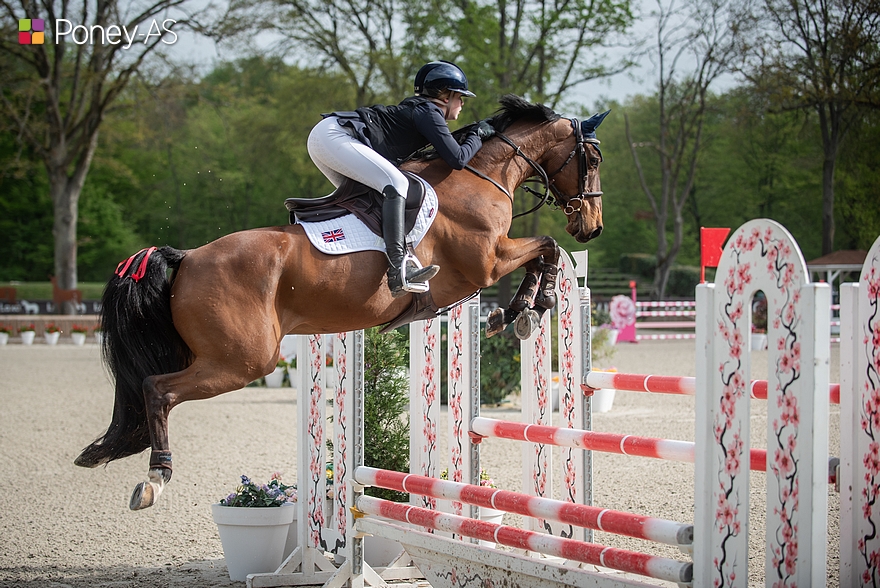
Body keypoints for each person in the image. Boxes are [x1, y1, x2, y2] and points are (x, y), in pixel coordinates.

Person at [307, 60, 495, 298]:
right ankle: (399, 268)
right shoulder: (430, 111)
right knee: (397, 185)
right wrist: (477, 135)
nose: (463, 103)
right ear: (445, 97)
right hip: (335, 136)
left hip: (326, 136)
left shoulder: (423, 111)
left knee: (369, 200)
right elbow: (457, 159)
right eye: (460, 97)